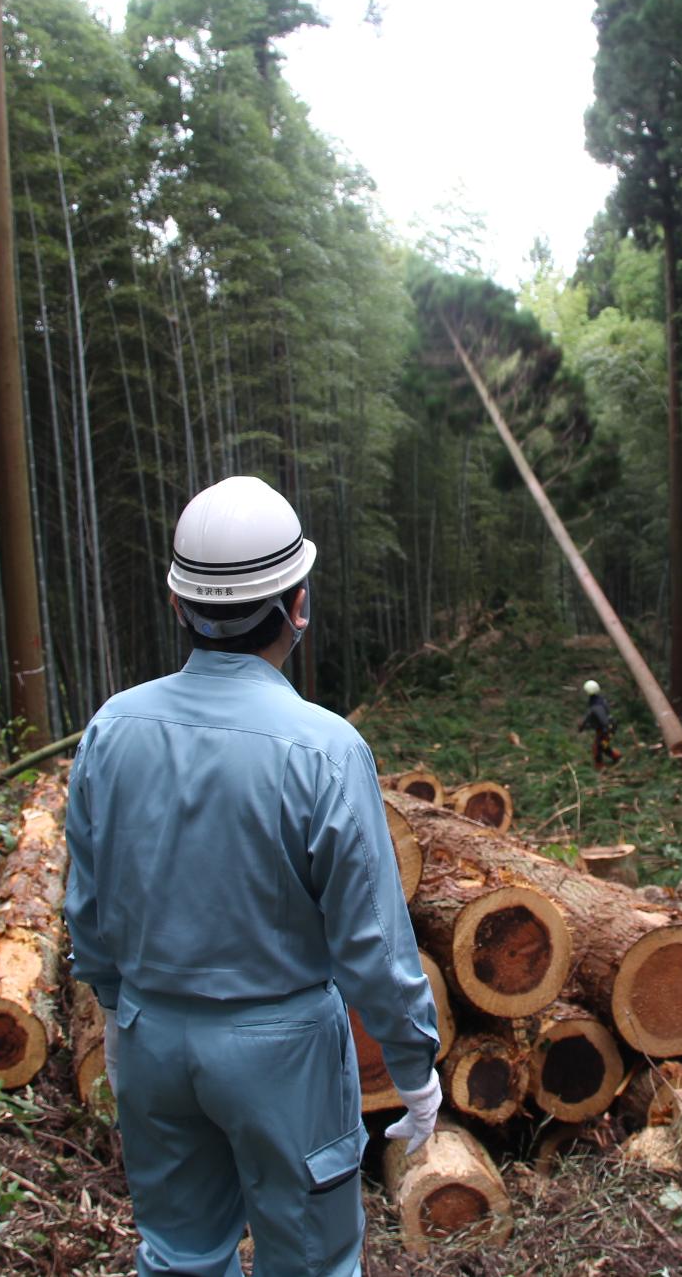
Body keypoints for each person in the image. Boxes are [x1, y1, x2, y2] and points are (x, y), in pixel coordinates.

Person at [64, 474, 442, 1277]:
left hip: (151, 1035)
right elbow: (371, 940)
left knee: (179, 1255)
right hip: (284, 1052)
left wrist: (114, 1010)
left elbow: (87, 905)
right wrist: (413, 1068)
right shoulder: (325, 748)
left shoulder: (111, 729)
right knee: (308, 1261)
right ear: (298, 604)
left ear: (176, 604)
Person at [575, 679, 622, 769]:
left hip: (606, 729)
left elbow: (602, 720)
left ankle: (600, 766)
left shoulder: (596, 706)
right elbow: (591, 715)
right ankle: (616, 757)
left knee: (598, 747)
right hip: (608, 728)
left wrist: (605, 731)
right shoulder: (599, 700)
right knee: (603, 746)